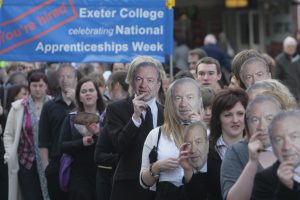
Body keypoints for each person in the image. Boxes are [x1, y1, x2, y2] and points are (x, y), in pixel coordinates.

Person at [106, 56, 164, 200]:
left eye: (150, 80)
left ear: (158, 84)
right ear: (132, 82)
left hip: (162, 185)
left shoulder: (167, 111)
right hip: (129, 186)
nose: (144, 85)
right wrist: (135, 119)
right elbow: (119, 146)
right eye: (139, 79)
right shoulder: (116, 109)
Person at [140, 78, 203, 200]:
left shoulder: (207, 134)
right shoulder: (156, 135)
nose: (184, 104)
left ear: (198, 101)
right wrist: (156, 167)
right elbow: (143, 182)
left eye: (189, 97)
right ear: (169, 103)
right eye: (178, 98)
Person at [220, 95, 283, 200]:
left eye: (269, 119)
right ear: (247, 124)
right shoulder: (236, 152)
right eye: (255, 120)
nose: (262, 127)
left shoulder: (294, 149)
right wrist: (252, 162)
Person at [3, 72, 52, 200]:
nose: (37, 89)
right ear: (29, 87)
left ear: (46, 86)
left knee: (49, 194)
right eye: (34, 85)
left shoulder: (53, 104)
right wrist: (9, 154)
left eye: (41, 85)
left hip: (49, 161)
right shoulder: (19, 106)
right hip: (26, 161)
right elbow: (8, 134)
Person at [60, 77, 105, 200]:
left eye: (91, 90)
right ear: (79, 97)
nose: (88, 93)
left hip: (103, 173)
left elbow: (114, 143)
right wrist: (82, 142)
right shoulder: (71, 118)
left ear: (97, 94)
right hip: (79, 175)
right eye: (84, 91)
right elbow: (62, 146)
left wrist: (98, 133)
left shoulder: (107, 116)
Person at [38, 63, 77, 200]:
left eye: (68, 76)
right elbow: (43, 139)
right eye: (61, 76)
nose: (65, 79)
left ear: (75, 79)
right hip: (56, 163)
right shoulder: (49, 106)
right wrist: (46, 167)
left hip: (79, 164)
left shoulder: (82, 103)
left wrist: (76, 101)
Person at [94, 71, 129, 200]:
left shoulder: (114, 110)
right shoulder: (111, 111)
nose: (107, 91)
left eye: (108, 86)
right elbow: (99, 154)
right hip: (110, 176)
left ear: (117, 86)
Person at [209, 88, 248, 199]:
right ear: (218, 118)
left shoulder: (255, 149)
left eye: (240, 114)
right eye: (228, 115)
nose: (235, 120)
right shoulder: (207, 150)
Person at [252, 110, 300, 199]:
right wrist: (286, 189)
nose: (287, 147)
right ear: (272, 146)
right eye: (279, 140)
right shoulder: (263, 181)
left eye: (294, 137)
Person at [179, 121, 209, 200]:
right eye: (188, 144)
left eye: (198, 142)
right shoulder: (184, 175)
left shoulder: (218, 169)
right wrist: (187, 170)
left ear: (207, 144)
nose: (193, 150)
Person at [275, 36, 300, 102]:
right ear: (284, 47)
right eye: (289, 46)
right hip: (287, 95)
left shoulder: (298, 58)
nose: (291, 48)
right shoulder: (279, 60)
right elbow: (277, 79)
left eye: (293, 46)